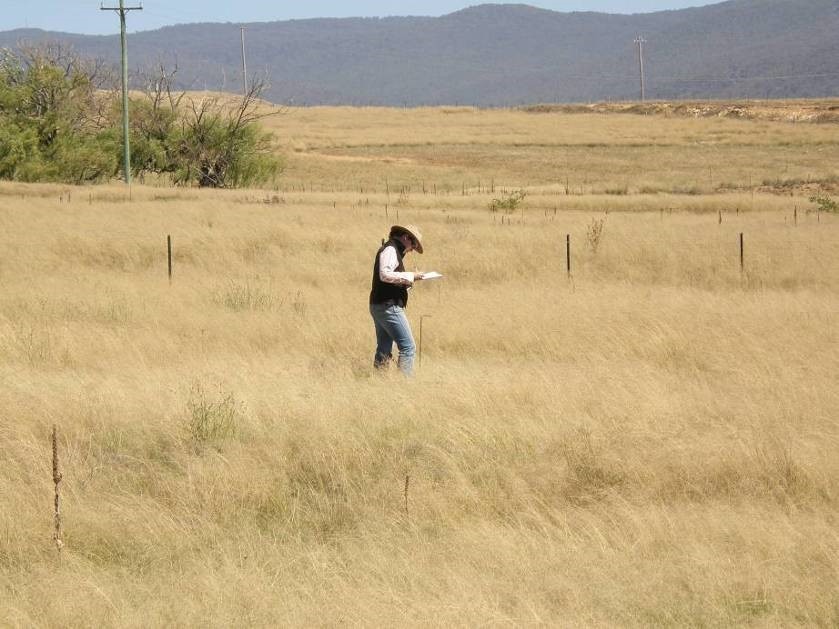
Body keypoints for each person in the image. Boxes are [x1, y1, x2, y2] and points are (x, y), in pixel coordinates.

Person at [369, 224, 426, 375]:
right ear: (406, 237)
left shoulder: (392, 249)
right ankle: (404, 385)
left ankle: (378, 383)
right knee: (408, 347)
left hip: (380, 305)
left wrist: (408, 280)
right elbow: (385, 275)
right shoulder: (391, 250)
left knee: (384, 347)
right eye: (413, 243)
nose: (412, 248)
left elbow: (387, 278)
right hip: (388, 306)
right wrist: (410, 276)